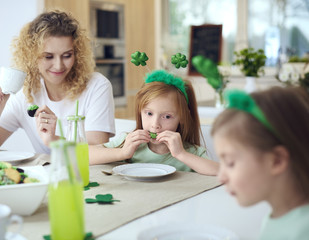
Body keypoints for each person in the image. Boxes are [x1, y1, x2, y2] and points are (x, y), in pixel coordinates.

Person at [0, 10, 115, 154]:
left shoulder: (97, 86)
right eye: (48, 57)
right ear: (32, 56)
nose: (59, 65)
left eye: (67, 55)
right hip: (43, 175)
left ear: (77, 53)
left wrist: (54, 140)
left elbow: (97, 154)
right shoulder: (25, 92)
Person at [212, 86, 309, 239]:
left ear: (277, 160)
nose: (221, 177)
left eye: (230, 163)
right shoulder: (278, 217)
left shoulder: (302, 231)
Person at [89, 70, 219, 176]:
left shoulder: (189, 152)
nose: (155, 124)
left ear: (182, 118)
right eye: (149, 114)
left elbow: (220, 172)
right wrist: (123, 153)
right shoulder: (130, 143)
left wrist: (181, 154)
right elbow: (82, 156)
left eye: (167, 116)